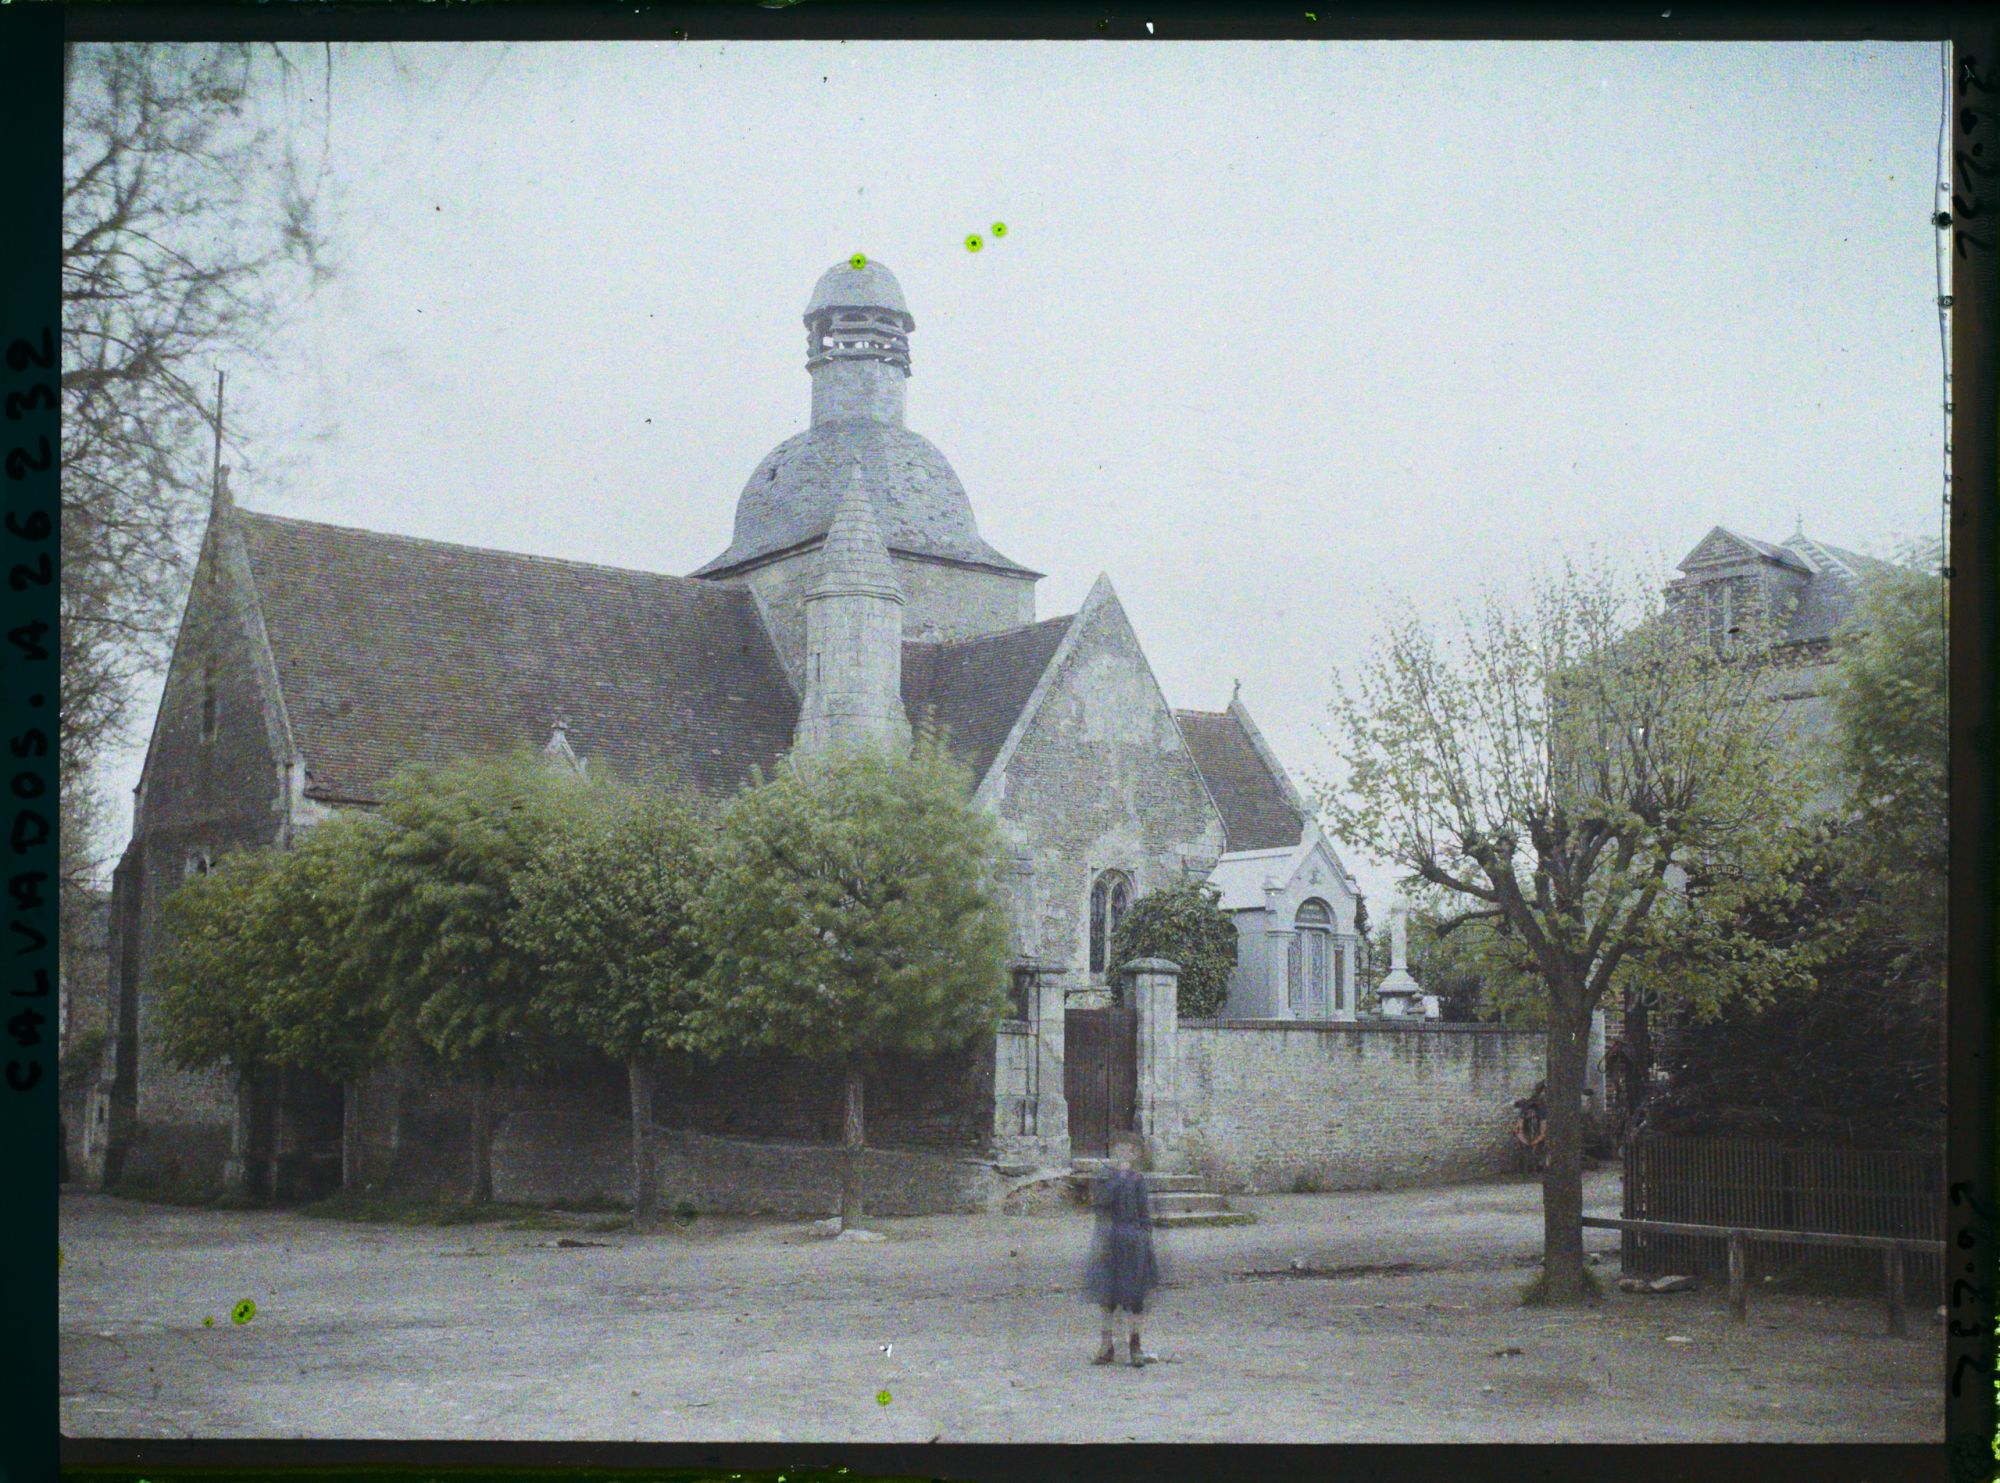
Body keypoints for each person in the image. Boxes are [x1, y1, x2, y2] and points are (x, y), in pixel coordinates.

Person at [1083, 1131, 1162, 1368]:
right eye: (1118, 1150)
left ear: (1136, 1155)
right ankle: (1106, 1346)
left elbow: (1144, 1214)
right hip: (1112, 1241)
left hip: (1135, 1243)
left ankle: (1135, 1346)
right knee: (1109, 1298)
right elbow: (1101, 1205)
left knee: (1135, 1299)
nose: (1122, 1155)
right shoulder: (1106, 1178)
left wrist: (1145, 1239)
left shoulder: (1138, 1181)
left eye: (1128, 1151)